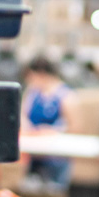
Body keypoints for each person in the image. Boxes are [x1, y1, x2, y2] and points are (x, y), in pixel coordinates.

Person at [20, 55, 76, 189]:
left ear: (41, 74)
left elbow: (76, 127)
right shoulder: (32, 93)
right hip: (33, 153)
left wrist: (52, 131)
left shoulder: (66, 96)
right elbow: (22, 114)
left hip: (56, 157)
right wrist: (28, 127)